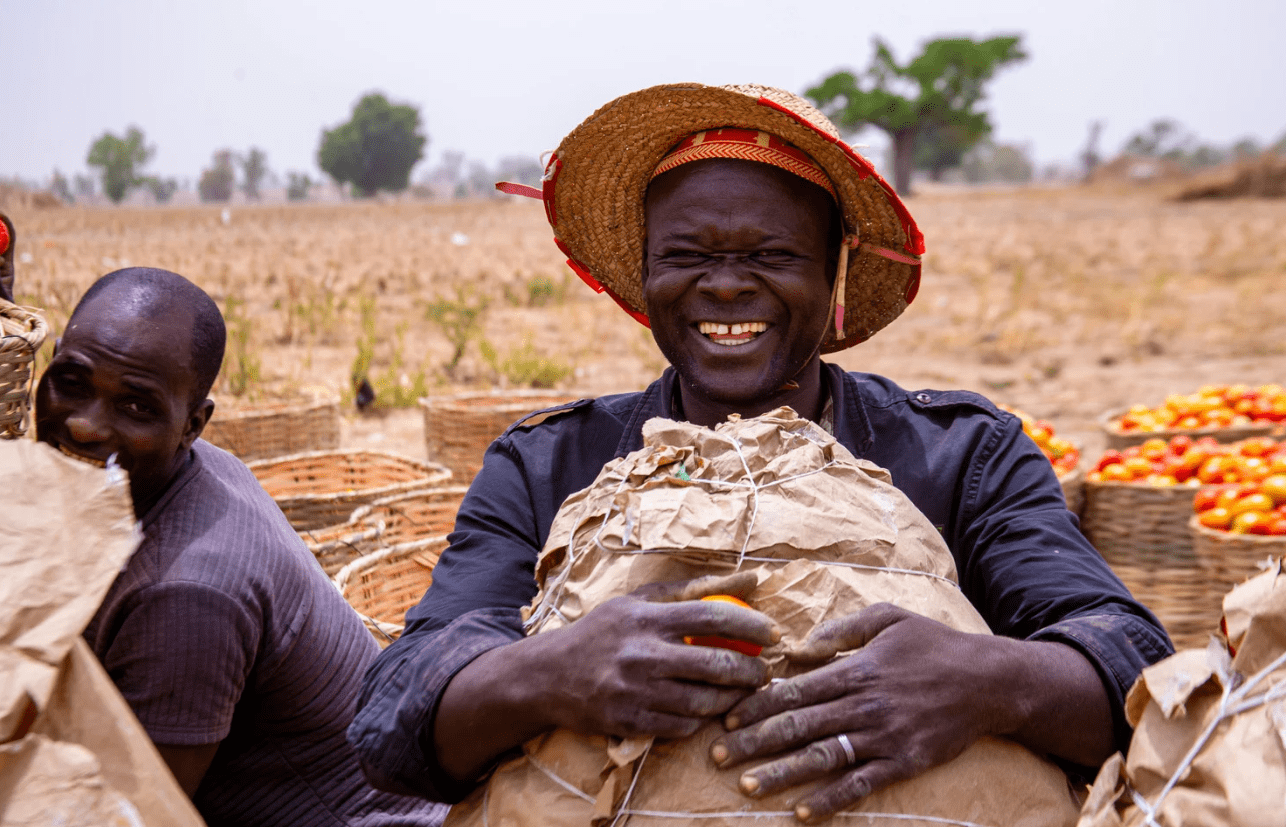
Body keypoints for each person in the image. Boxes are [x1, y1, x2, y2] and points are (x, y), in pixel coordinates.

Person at [350, 84, 1174, 821]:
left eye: (772, 256)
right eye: (687, 256)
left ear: (834, 271)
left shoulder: (961, 454)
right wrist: (552, 671)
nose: (727, 286)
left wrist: (988, 683)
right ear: (642, 274)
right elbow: (394, 719)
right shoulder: (548, 464)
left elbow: (1135, 669)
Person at [35, 267, 447, 827]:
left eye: (136, 408)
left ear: (193, 425)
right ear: (49, 362)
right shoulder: (171, 480)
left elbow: (135, 815)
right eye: (72, 381)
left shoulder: (186, 592)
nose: (84, 425)